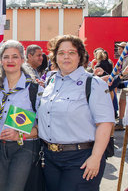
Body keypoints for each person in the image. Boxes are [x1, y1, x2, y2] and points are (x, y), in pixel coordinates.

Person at [38, 35, 114, 191]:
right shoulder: (50, 81)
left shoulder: (93, 84)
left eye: (71, 52)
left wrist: (96, 157)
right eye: (61, 53)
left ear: (80, 56)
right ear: (55, 57)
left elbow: (105, 124)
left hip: (80, 159)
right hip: (50, 158)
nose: (66, 56)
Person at [0, 40, 42, 191]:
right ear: (0, 61)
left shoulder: (34, 88)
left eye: (15, 56)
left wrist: (20, 134)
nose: (10, 61)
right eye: (6, 57)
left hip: (24, 147)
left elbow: (43, 126)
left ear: (22, 60)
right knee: (1, 188)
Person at [116, 42, 128, 130]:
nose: (118, 50)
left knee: (123, 102)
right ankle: (121, 121)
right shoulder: (122, 58)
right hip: (123, 81)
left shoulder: (126, 58)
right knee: (121, 102)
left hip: (126, 83)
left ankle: (121, 122)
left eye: (120, 48)